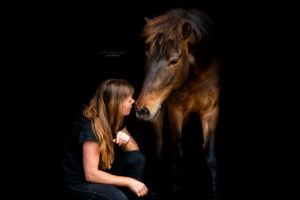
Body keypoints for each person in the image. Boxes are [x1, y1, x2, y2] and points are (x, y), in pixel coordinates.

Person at [60, 79, 148, 200]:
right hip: (78, 182)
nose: (133, 101)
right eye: (129, 99)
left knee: (137, 159)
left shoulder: (115, 118)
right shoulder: (90, 126)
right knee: (118, 197)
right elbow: (91, 175)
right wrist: (129, 181)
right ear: (116, 103)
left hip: (102, 171)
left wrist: (125, 141)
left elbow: (134, 150)